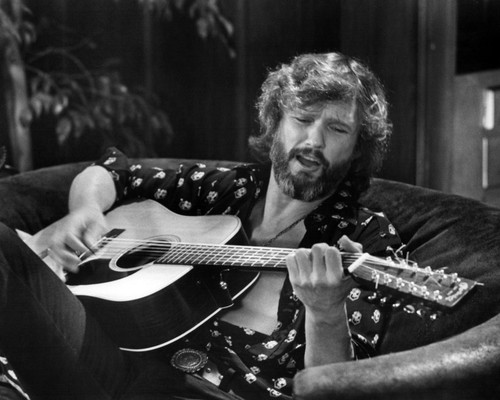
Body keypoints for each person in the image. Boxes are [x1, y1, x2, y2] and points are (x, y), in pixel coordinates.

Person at [0, 52, 401, 399]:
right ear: (277, 122)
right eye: (302, 119)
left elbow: (340, 389)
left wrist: (326, 311)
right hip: (112, 367)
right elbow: (113, 171)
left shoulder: (363, 239)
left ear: (357, 147)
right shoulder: (229, 190)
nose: (314, 140)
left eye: (337, 129)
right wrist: (84, 212)